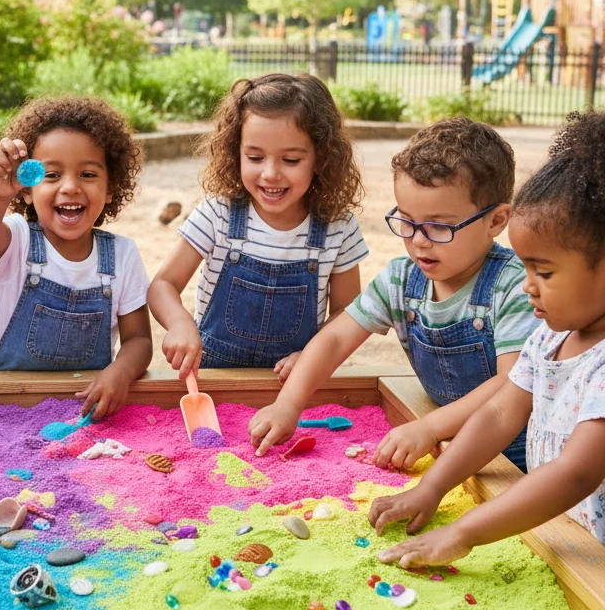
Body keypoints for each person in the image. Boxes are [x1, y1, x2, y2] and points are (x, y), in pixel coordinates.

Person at [372, 111, 605, 564]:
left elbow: (575, 473)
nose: (526, 285)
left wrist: (463, 533)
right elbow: (499, 413)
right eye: (526, 267)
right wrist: (432, 487)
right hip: (564, 539)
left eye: (544, 272)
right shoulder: (548, 339)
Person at [247, 117, 536, 467]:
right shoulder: (402, 279)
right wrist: (289, 403)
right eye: (408, 221)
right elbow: (336, 338)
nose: (419, 241)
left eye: (439, 226)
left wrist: (429, 428)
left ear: (496, 221)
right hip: (451, 445)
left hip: (515, 457)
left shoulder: (515, 286)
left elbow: (511, 384)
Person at [148, 73, 368, 386]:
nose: (270, 173)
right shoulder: (218, 214)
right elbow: (163, 284)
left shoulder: (338, 228)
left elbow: (347, 314)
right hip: (212, 382)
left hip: (292, 387)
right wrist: (179, 323)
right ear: (235, 151)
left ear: (321, 157)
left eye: (290, 160)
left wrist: (314, 356)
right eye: (254, 157)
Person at [0, 97, 152, 420]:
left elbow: (139, 339)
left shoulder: (123, 255)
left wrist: (121, 371)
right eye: (51, 175)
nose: (70, 187)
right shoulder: (18, 240)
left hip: (83, 412)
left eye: (88, 174)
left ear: (111, 187)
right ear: (27, 190)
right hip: (3, 408)